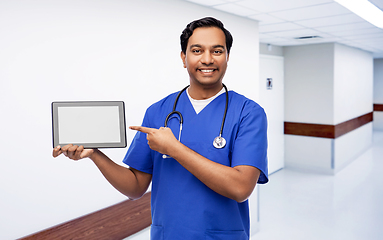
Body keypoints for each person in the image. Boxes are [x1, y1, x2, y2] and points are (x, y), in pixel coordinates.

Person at [53, 17, 268, 240]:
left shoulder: (248, 113)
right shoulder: (158, 111)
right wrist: (95, 155)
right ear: (184, 58)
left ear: (227, 57)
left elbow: (241, 188)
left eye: (216, 51)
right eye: (196, 50)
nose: (207, 59)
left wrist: (175, 149)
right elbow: (136, 187)